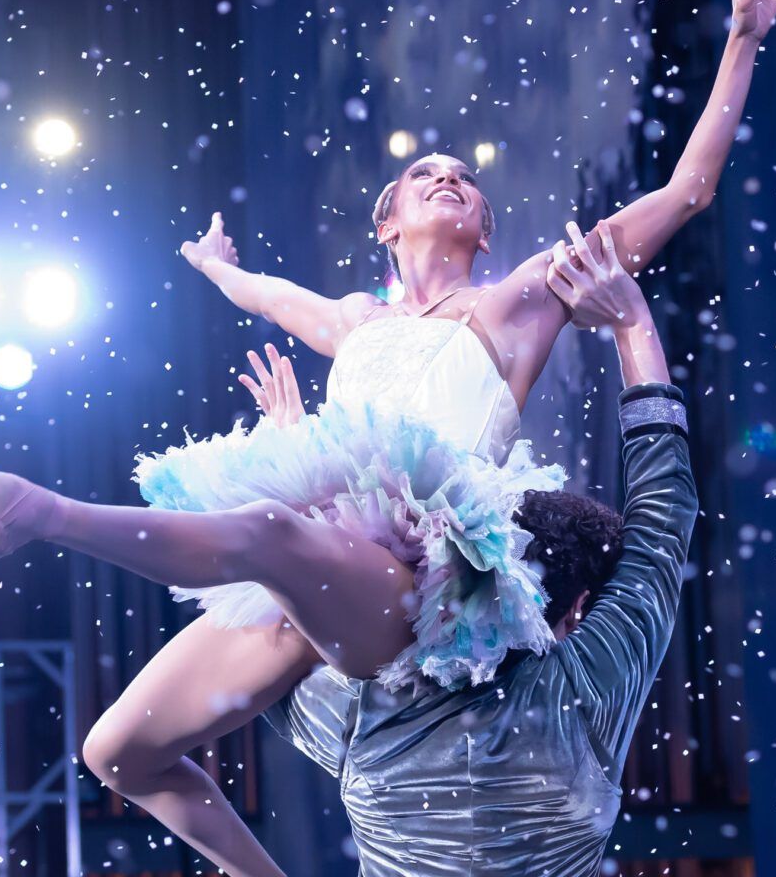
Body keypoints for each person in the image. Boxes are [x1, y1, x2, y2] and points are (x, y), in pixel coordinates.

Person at [0, 0, 776, 877]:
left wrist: (740, 37)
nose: (448, 179)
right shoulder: (356, 319)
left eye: (465, 181)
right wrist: (215, 269)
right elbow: (269, 297)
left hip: (430, 572)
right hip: (330, 565)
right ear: (387, 223)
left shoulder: (515, 305)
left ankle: (33, 509)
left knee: (264, 532)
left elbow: (687, 192)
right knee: (118, 753)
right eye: (424, 176)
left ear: (484, 231)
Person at [256, 240, 695, 876]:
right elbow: (663, 520)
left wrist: (294, 476)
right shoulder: (591, 685)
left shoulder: (368, 705)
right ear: (578, 607)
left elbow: (273, 647)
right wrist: (633, 323)